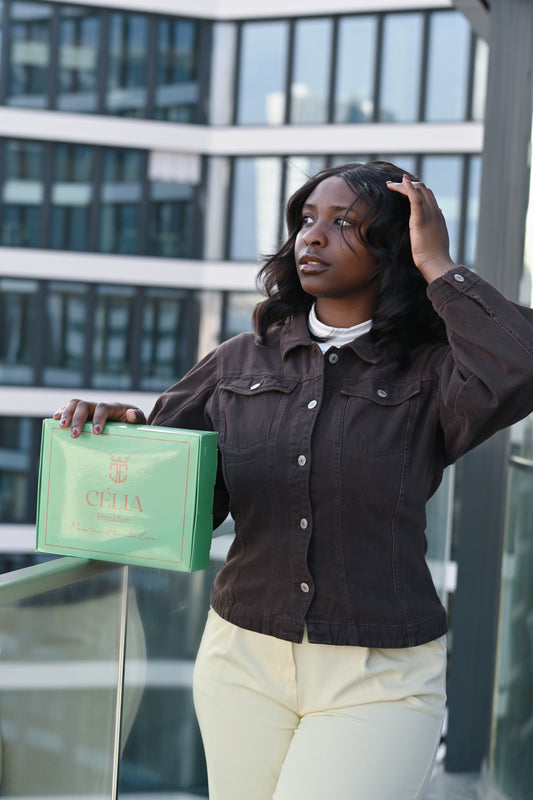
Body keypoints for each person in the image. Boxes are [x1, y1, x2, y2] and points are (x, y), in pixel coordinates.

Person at [54, 161, 533, 800]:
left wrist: (438, 263)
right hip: (242, 660)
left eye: (344, 225)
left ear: (393, 249)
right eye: (307, 220)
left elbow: (518, 366)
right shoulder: (237, 361)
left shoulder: (432, 374)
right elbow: (185, 499)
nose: (313, 237)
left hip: (379, 673)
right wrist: (126, 431)